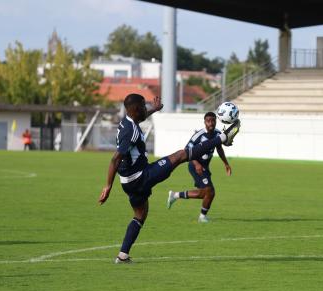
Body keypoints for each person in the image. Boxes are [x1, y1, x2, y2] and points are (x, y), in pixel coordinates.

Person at [98, 93, 240, 264]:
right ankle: (224, 137)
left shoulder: (128, 121)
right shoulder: (130, 131)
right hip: (141, 177)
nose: (146, 109)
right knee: (181, 155)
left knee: (140, 215)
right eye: (144, 106)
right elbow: (115, 159)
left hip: (129, 182)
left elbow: (140, 117)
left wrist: (155, 109)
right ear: (135, 109)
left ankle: (123, 255)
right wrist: (107, 186)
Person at [166, 112, 231, 223]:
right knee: (210, 192)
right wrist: (197, 164)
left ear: (216, 121)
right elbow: (187, 151)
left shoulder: (217, 133)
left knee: (203, 193)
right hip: (195, 165)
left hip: (205, 166)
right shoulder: (198, 135)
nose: (211, 123)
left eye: (213, 120)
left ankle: (175, 195)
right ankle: (202, 217)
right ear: (204, 122)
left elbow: (219, 148)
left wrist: (226, 163)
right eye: (208, 121)